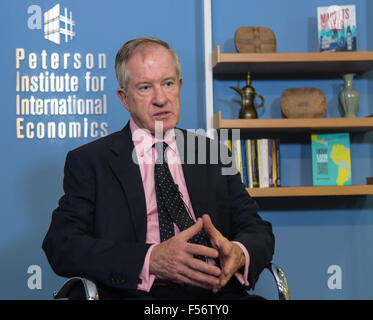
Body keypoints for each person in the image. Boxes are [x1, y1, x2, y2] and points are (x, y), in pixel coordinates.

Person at [42, 37, 274, 300]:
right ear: (125, 98)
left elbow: (258, 230)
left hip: (214, 292)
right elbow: (62, 244)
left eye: (168, 83)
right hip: (137, 293)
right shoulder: (91, 161)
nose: (161, 98)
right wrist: (149, 260)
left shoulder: (213, 153)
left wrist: (238, 251)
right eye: (144, 88)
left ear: (180, 86)